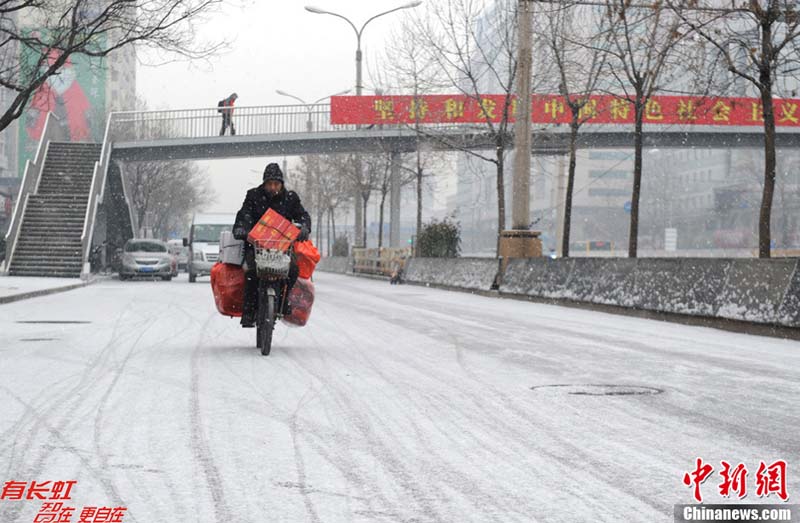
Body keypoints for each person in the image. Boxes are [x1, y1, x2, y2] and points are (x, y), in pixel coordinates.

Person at [233, 163, 311, 328]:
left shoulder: (291, 198)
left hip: (283, 248)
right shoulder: (253, 196)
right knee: (251, 272)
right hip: (257, 248)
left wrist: (303, 227)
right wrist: (242, 229)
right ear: (264, 183)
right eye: (269, 183)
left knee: (293, 270)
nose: (273, 187)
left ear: (281, 184)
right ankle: (248, 311)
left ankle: (284, 301)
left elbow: (302, 215)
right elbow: (244, 214)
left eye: (276, 183)